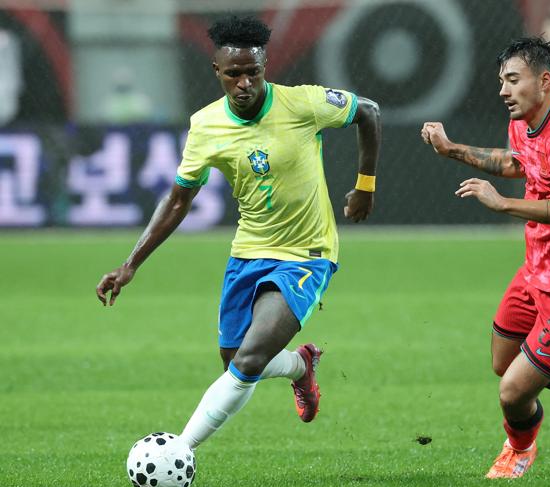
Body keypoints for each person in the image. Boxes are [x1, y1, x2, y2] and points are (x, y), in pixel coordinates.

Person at [96, 15, 381, 451]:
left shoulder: (303, 103)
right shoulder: (206, 125)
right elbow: (178, 199)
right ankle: (300, 366)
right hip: (248, 251)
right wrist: (130, 264)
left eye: (253, 72)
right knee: (235, 360)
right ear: (217, 71)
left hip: (306, 254)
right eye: (234, 74)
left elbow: (369, 112)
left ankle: (180, 451)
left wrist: (365, 186)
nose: (244, 83)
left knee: (247, 362)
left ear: (265, 67)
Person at [421, 37, 550, 479]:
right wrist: (452, 149)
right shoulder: (525, 120)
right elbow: (519, 163)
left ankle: (519, 450)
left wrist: (503, 204)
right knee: (505, 361)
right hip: (538, 269)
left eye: (513, 80)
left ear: (544, 81)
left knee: (513, 391)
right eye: (502, 80)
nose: (503, 90)